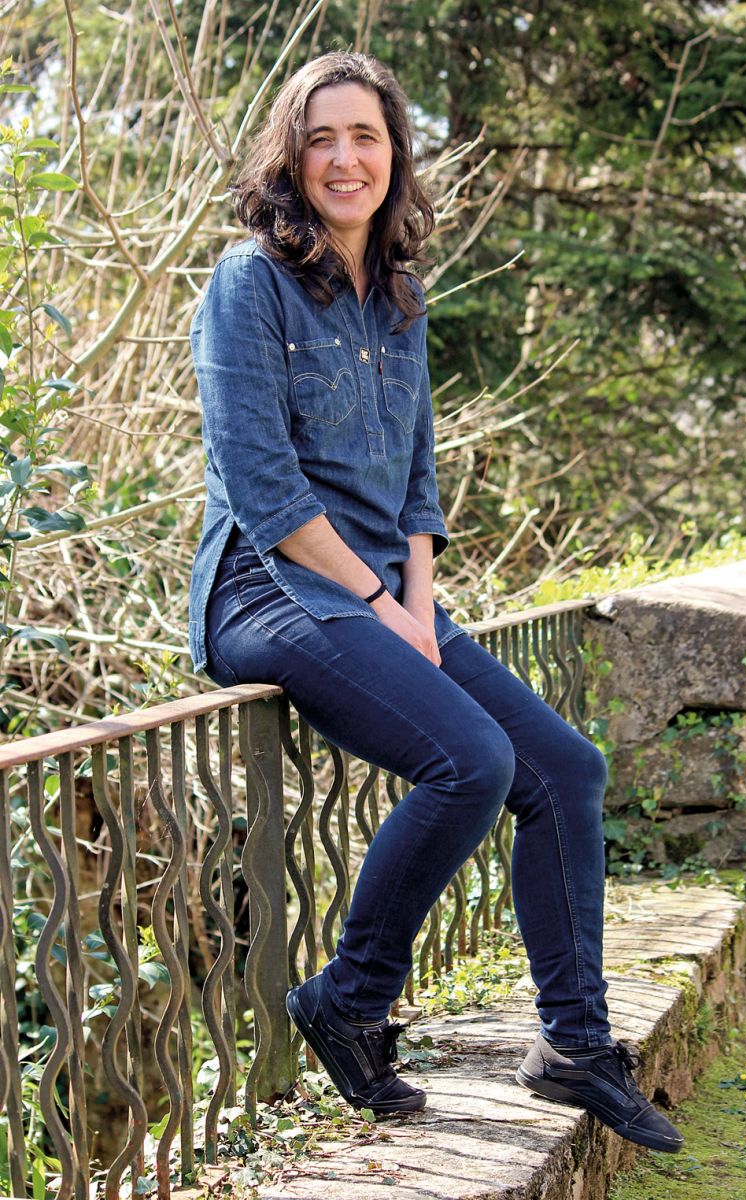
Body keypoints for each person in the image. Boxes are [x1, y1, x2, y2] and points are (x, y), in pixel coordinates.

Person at [188, 51, 683, 1154]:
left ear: (394, 155)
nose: (343, 158)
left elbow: (417, 479)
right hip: (270, 590)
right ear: (290, 157)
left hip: (379, 595)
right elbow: (264, 490)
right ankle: (348, 1001)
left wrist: (415, 604)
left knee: (565, 769)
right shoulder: (247, 285)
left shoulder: (401, 298)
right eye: (320, 138)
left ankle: (574, 1045)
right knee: (472, 760)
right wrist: (377, 601)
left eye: (364, 136)